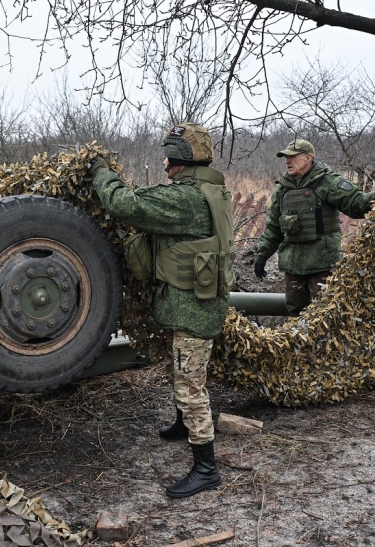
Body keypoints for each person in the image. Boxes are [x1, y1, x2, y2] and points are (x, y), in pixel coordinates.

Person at [85, 123, 234, 498]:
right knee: (181, 370)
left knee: (190, 386)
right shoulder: (207, 190)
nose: (164, 160)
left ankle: (206, 468)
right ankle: (184, 426)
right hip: (192, 304)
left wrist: (101, 172)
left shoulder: (186, 199)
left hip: (193, 311)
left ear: (182, 158)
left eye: (168, 153)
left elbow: (125, 204)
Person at [253, 139, 375, 315]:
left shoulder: (327, 182)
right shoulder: (282, 190)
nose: (287, 161)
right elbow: (274, 227)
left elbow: (355, 202)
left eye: (292, 157)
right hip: (293, 266)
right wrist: (262, 255)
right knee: (295, 316)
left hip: (322, 265)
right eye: (285, 158)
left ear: (308, 158)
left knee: (325, 316)